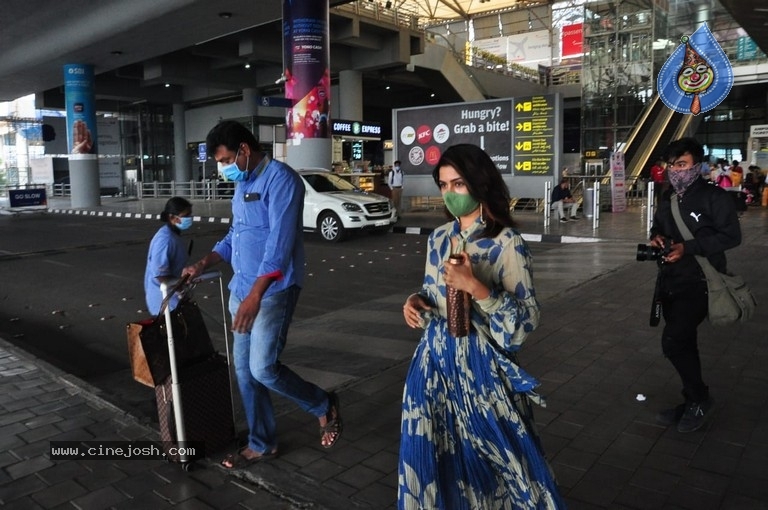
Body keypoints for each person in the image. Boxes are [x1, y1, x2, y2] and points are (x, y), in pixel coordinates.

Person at [399, 144, 564, 509]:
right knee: (437, 459)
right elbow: (433, 295)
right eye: (443, 185)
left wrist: (477, 288)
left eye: (459, 184)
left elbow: (521, 327)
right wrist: (415, 302)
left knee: (502, 466)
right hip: (434, 366)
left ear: (480, 183)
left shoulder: (507, 243)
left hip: (482, 372)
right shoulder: (438, 239)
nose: (450, 193)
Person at [182, 120, 342, 468]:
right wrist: (204, 261)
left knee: (264, 368)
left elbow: (279, 248)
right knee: (244, 371)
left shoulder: (282, 181)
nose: (223, 169)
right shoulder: (242, 186)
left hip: (272, 292)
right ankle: (263, 441)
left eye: (225, 160)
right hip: (242, 290)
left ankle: (322, 404)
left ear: (244, 150)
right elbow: (235, 236)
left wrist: (256, 296)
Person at [648, 137, 741, 433]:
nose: (676, 171)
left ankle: (700, 399)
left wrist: (688, 248)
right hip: (671, 281)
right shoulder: (667, 198)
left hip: (703, 281)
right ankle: (692, 400)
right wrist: (657, 238)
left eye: (682, 164)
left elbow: (731, 236)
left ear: (697, 166)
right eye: (672, 165)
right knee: (684, 341)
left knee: (674, 340)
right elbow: (657, 228)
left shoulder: (715, 197)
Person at [143, 197, 193, 316]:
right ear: (172, 218)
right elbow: (161, 275)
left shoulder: (173, 235)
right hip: (166, 302)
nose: (189, 219)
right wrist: (180, 285)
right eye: (185, 216)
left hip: (174, 299)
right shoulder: (164, 240)